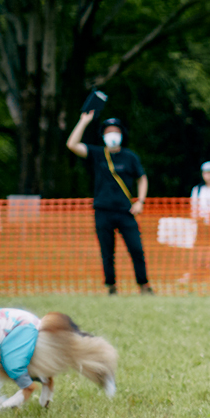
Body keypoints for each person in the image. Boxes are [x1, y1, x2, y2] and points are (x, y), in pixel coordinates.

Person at [65, 111, 152, 295]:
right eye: (108, 131)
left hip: (126, 211)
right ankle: (111, 287)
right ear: (103, 135)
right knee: (107, 252)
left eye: (115, 131)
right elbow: (72, 144)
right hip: (103, 211)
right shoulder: (97, 154)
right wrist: (83, 121)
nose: (112, 134)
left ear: (122, 134)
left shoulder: (130, 157)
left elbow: (142, 178)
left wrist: (140, 201)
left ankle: (144, 285)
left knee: (136, 249)